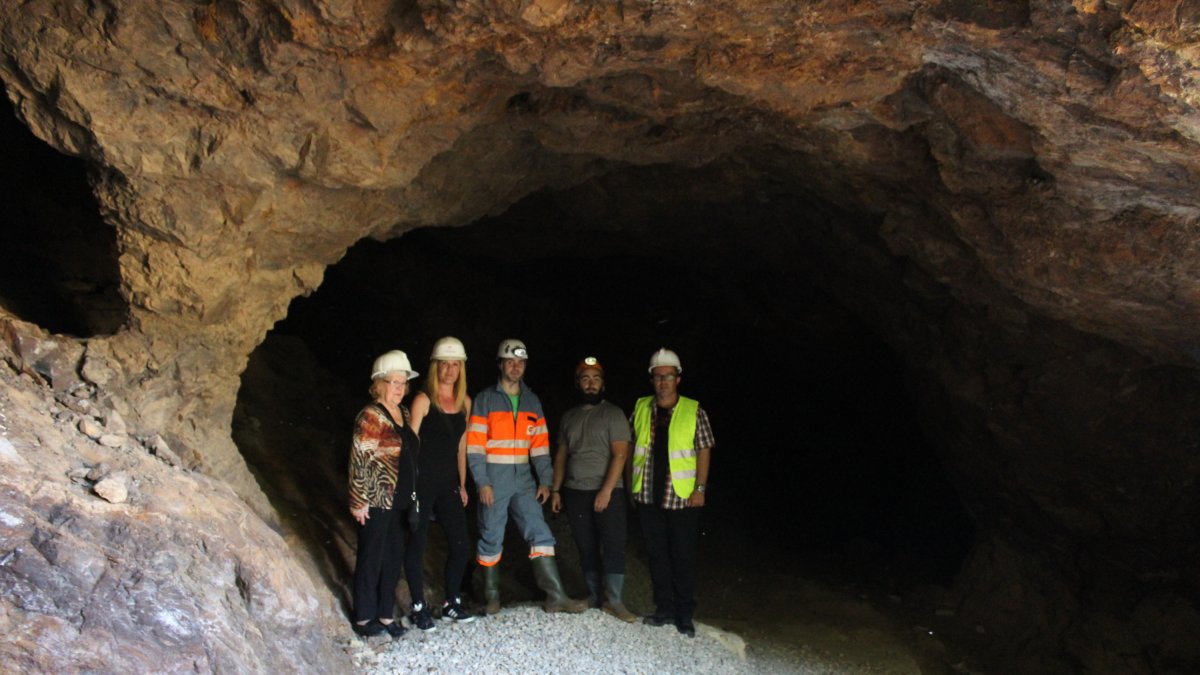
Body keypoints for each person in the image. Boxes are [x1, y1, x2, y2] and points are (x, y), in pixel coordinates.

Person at [467, 338, 587, 614]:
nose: (515, 367)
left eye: (520, 362)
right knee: (490, 535)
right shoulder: (485, 399)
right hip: (494, 478)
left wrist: (545, 480)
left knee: (540, 532)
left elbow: (541, 448)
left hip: (523, 478)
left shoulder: (532, 401)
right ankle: (491, 600)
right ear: (500, 364)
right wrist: (482, 482)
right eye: (510, 361)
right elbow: (474, 448)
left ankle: (556, 596)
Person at [630, 348, 714, 638]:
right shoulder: (641, 407)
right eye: (658, 377)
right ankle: (663, 609)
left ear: (678, 379)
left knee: (683, 556)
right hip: (648, 495)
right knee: (657, 555)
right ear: (652, 380)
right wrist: (632, 485)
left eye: (668, 376)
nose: (662, 382)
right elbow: (630, 447)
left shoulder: (694, 410)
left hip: (681, 496)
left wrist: (700, 489)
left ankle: (684, 615)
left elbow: (704, 449)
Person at [551, 356, 636, 622]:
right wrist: (556, 490)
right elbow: (562, 456)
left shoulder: (614, 414)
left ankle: (614, 600)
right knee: (585, 546)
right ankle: (593, 595)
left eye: (596, 379)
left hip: (609, 491)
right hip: (576, 491)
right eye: (586, 379)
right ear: (578, 383)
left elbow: (620, 455)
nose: (591, 384)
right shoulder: (569, 417)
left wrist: (606, 491)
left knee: (612, 545)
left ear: (603, 384)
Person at [348, 350, 421, 638]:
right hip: (376, 499)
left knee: (392, 558)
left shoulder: (402, 413)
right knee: (371, 557)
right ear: (379, 384)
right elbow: (358, 458)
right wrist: (358, 500)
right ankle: (364, 618)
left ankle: (385, 615)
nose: (400, 388)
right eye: (393, 382)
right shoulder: (370, 415)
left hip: (399, 501)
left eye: (403, 382)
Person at [405, 337, 476, 628]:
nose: (450, 370)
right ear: (435, 367)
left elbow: (462, 447)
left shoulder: (464, 403)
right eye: (444, 364)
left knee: (461, 545)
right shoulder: (422, 400)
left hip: (448, 483)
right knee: (417, 544)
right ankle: (418, 606)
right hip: (422, 482)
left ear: (461, 369)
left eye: (455, 365)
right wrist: (408, 487)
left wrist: (462, 484)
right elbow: (410, 446)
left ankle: (451, 602)